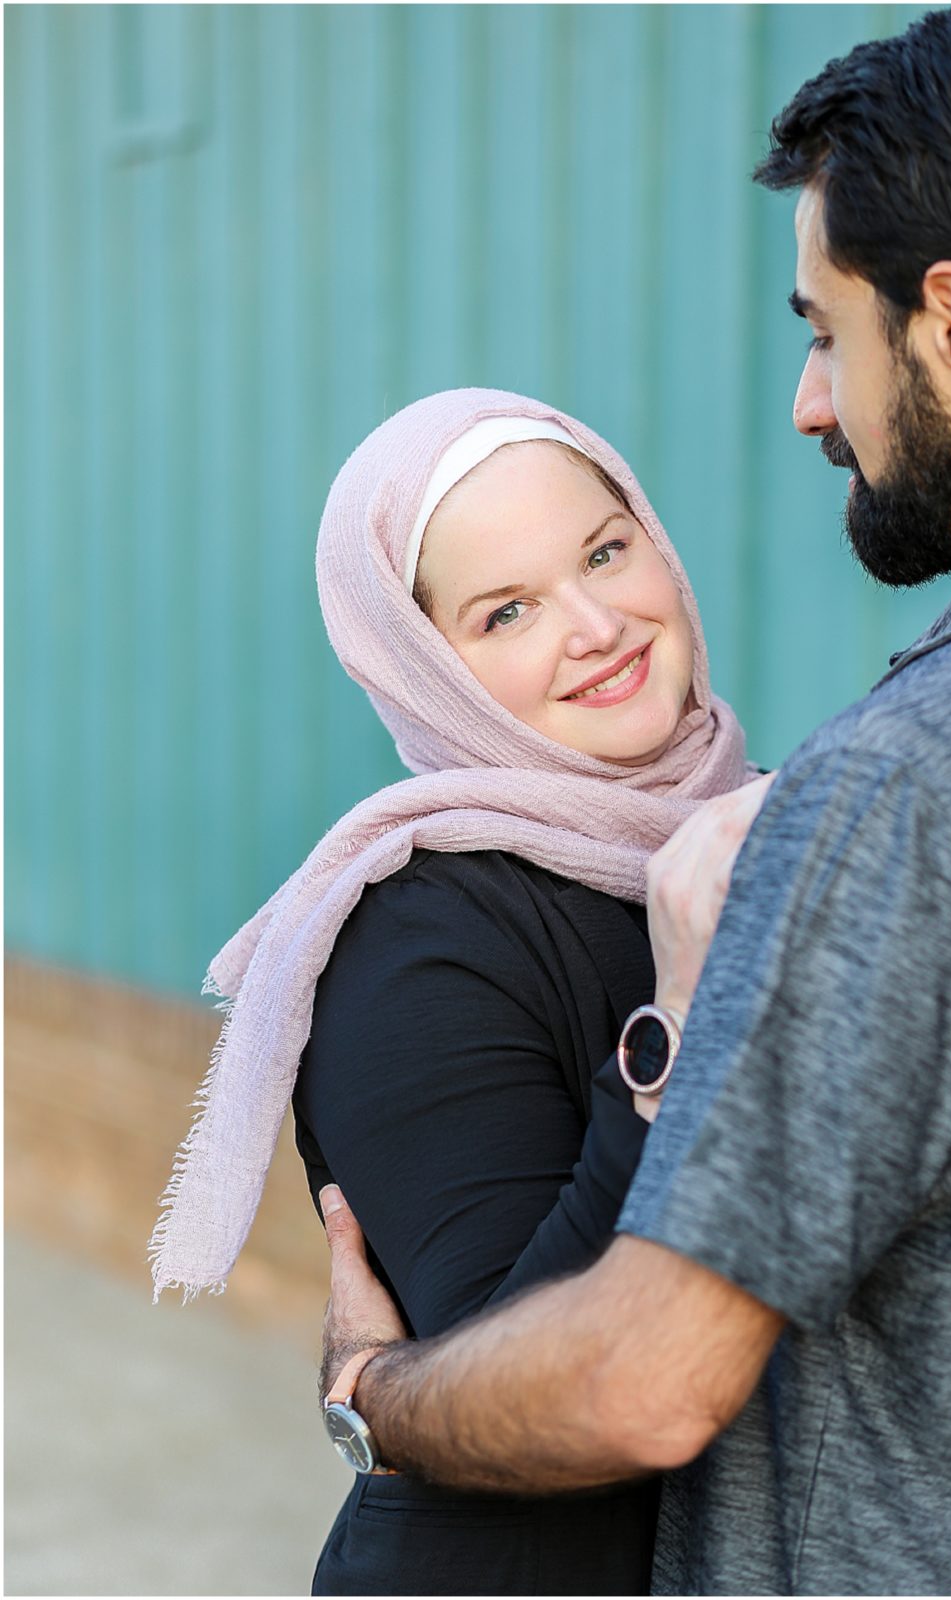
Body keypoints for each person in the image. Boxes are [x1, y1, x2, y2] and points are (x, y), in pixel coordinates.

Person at [316, 9, 951, 1596]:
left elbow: (636, 1382)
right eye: (498, 610)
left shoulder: (888, 792)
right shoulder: (429, 931)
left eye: (823, 330)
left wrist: (373, 1398)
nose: (811, 405)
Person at [150, 386, 770, 1594]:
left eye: (604, 550)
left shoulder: (757, 822)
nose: (595, 625)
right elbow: (538, 1381)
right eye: (507, 612)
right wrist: (676, 1036)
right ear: (423, 662)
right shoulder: (415, 937)